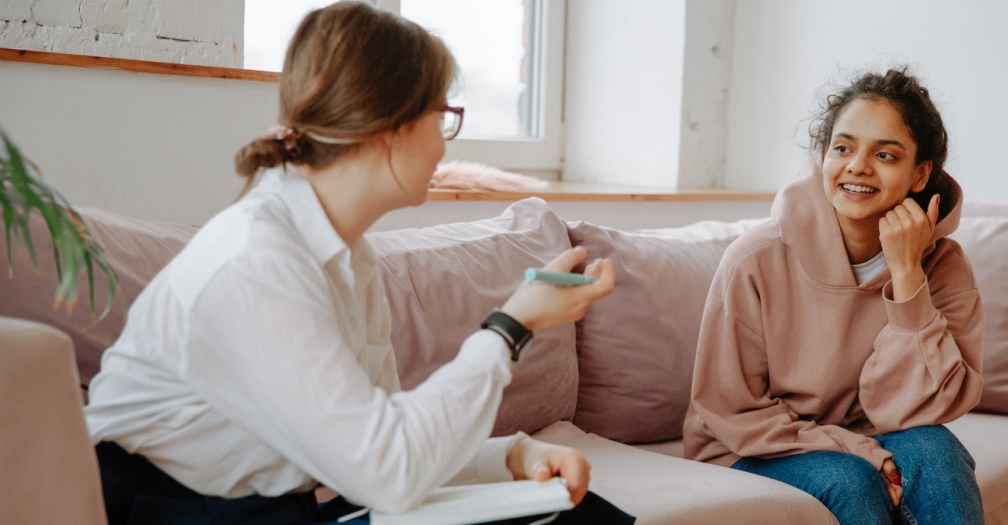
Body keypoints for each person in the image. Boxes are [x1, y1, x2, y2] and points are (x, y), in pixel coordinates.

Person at [84, 3, 631, 524]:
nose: (444, 147)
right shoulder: (258, 261)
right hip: (166, 511)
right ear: (388, 127)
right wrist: (511, 325)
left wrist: (511, 456)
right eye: (441, 116)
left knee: (566, 511)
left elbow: (385, 444)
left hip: (264, 507)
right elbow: (386, 473)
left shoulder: (348, 256)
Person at [683, 68, 986, 525]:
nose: (858, 166)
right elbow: (731, 409)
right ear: (822, 155)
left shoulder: (944, 266)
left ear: (920, 173)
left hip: (871, 433)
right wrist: (857, 448)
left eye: (885, 154)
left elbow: (930, 409)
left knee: (936, 449)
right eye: (842, 148)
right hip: (750, 448)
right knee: (850, 480)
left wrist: (906, 277)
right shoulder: (754, 259)